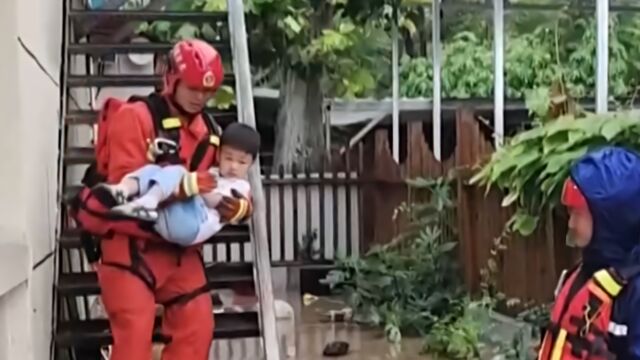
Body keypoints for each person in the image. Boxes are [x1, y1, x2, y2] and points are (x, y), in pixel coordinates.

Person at [90, 39, 253, 360]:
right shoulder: (135, 117)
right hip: (129, 248)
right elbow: (127, 188)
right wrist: (185, 187)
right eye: (193, 87)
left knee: (197, 328)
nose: (200, 97)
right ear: (172, 80)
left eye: (207, 91)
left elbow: (232, 184)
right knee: (134, 338)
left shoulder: (210, 131)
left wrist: (240, 209)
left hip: (177, 251)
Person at [537, 146, 640, 360]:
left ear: (611, 220)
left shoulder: (633, 295)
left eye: (578, 214)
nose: (571, 224)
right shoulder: (580, 274)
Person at [94, 122, 259, 247]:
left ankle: (148, 201)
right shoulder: (213, 172)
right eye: (228, 158)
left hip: (192, 225)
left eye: (242, 162)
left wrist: (194, 186)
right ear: (219, 154)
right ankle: (123, 190)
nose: (234, 166)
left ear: (251, 164)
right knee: (154, 169)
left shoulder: (241, 187)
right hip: (168, 221)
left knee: (179, 172)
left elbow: (218, 204)